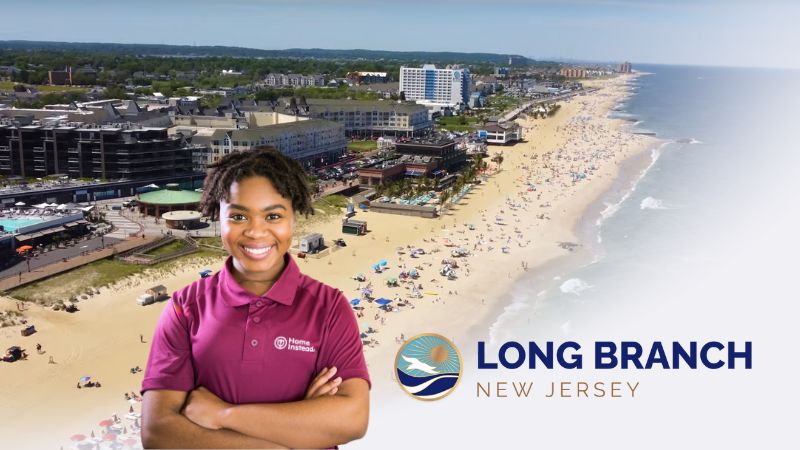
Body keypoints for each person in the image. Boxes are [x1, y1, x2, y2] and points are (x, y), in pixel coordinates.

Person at [141, 147, 370, 449]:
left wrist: (223, 414)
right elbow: (158, 433)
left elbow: (352, 419)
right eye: (238, 216)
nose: (256, 232)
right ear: (216, 216)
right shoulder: (186, 307)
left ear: (294, 217)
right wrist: (301, 430)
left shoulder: (328, 308)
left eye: (273, 215)